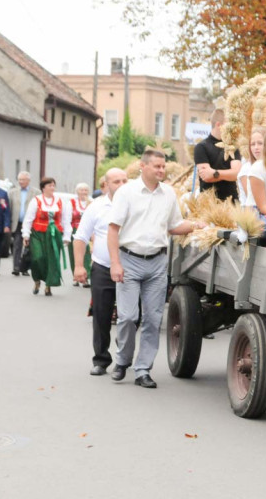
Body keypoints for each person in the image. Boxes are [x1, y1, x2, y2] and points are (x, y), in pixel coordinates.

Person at [107, 149, 206, 389]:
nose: (162, 170)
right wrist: (115, 263)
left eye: (163, 167)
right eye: (157, 166)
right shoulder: (126, 192)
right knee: (128, 317)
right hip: (129, 260)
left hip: (157, 263)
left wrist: (196, 225)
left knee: (153, 319)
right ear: (143, 166)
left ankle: (143, 369)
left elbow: (174, 226)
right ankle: (122, 360)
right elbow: (113, 229)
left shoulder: (169, 194)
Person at [73, 168, 128, 376]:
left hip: (130, 268)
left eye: (125, 180)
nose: (121, 185)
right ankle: (101, 359)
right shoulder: (96, 207)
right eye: (116, 181)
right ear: (106, 185)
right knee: (102, 314)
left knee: (130, 316)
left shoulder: (136, 205)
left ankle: (123, 353)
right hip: (103, 267)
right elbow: (81, 237)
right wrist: (79, 266)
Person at [22, 177, 72, 296]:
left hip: (54, 235)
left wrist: (67, 236)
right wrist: (26, 235)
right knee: (37, 258)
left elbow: (65, 220)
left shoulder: (60, 201)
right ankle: (37, 280)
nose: (52, 188)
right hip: (37, 234)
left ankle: (48, 285)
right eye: (50, 185)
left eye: (53, 185)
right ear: (43, 188)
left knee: (52, 260)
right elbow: (28, 219)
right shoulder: (36, 201)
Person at [194, 108, 243, 202]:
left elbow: (236, 174)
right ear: (218, 125)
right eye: (228, 124)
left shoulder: (233, 146)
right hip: (208, 204)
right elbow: (207, 177)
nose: (231, 128)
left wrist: (215, 173)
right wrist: (227, 174)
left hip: (232, 203)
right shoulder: (201, 147)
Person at [9, 171, 36, 276]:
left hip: (31, 224)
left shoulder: (36, 193)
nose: (21, 182)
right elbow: (9, 209)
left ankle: (25, 268)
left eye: (23, 180)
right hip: (17, 223)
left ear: (28, 180)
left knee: (29, 247)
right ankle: (16, 267)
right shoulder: (12, 192)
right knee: (16, 246)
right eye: (19, 179)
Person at [68, 183, 92, 286]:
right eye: (81, 190)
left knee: (87, 254)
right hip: (74, 230)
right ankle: (77, 275)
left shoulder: (92, 202)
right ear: (77, 191)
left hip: (88, 231)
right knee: (74, 254)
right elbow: (67, 219)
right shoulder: (71, 203)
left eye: (85, 190)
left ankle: (85, 277)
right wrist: (67, 233)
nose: (83, 192)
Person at [237, 127, 265, 207]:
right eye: (253, 144)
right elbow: (252, 198)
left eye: (260, 143)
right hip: (251, 211)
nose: (256, 147)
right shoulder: (246, 169)